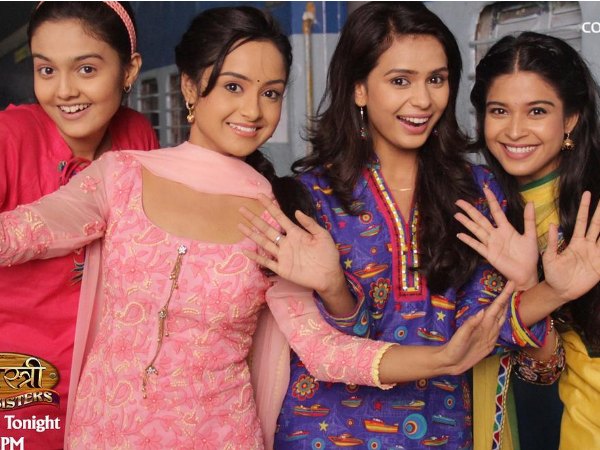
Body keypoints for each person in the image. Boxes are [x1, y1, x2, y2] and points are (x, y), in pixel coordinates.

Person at [0, 6, 514, 448]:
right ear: (190, 86)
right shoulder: (122, 177)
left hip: (221, 435)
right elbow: (25, 232)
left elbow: (323, 350)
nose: (252, 110)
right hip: (103, 432)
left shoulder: (278, 213)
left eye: (271, 93)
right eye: (233, 86)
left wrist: (441, 359)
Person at [238, 3, 552, 449]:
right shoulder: (308, 200)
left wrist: (544, 288)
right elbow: (326, 348)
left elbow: (480, 334)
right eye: (400, 81)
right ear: (359, 89)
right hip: (321, 432)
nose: (422, 100)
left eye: (436, 80)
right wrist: (335, 290)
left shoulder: (479, 193)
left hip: (439, 431)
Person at [0, 2, 157, 449]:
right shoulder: (9, 137)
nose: (64, 91)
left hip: (113, 385)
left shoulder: (137, 136)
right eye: (46, 70)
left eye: (86, 69)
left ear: (129, 70)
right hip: (21, 384)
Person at [456, 31, 600, 450]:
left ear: (570, 119)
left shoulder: (591, 209)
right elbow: (542, 367)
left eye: (537, 111)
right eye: (499, 111)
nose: (515, 131)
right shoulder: (479, 210)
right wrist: (535, 287)